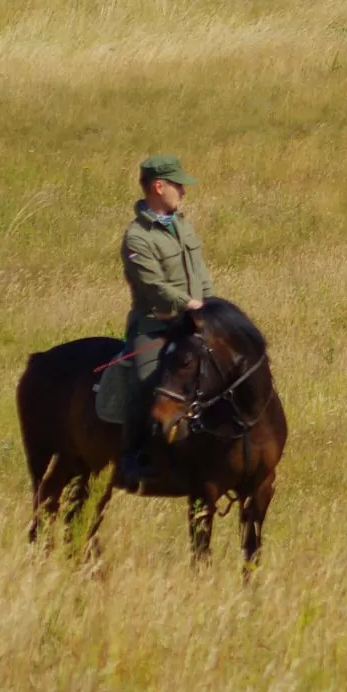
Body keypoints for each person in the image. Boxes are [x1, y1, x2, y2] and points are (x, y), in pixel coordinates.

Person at [114, 154, 215, 485]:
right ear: (159, 187)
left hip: (194, 320)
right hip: (155, 327)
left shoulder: (182, 225)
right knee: (146, 382)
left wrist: (212, 306)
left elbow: (200, 274)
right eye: (178, 185)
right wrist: (190, 304)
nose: (183, 191)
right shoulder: (137, 238)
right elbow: (154, 287)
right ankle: (133, 456)